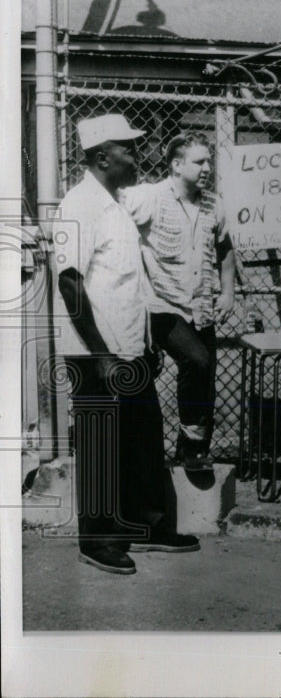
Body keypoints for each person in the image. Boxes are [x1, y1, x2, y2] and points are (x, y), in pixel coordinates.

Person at [54, 114, 199, 575]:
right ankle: (96, 540)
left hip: (129, 349)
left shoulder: (116, 203)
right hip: (95, 353)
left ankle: (148, 526)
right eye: (128, 149)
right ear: (102, 157)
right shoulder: (79, 205)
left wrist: (143, 343)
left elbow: (125, 284)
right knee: (101, 447)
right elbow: (70, 284)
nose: (138, 156)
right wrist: (102, 356)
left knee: (141, 440)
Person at [121, 132, 235, 471]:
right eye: (199, 162)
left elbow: (225, 248)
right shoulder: (151, 198)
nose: (207, 168)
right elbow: (112, 214)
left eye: (209, 161)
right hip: (159, 304)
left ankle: (192, 450)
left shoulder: (215, 203)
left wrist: (227, 291)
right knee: (197, 360)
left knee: (207, 373)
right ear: (176, 164)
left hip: (201, 304)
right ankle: (184, 448)